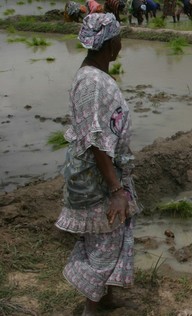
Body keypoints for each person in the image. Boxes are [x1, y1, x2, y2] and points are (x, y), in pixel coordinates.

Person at [55, 13, 141, 316]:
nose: (121, 43)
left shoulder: (92, 74)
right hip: (97, 178)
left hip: (102, 172)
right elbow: (95, 140)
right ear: (111, 45)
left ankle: (104, 299)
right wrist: (116, 188)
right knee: (106, 238)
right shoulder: (93, 83)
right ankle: (92, 309)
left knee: (108, 234)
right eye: (119, 38)